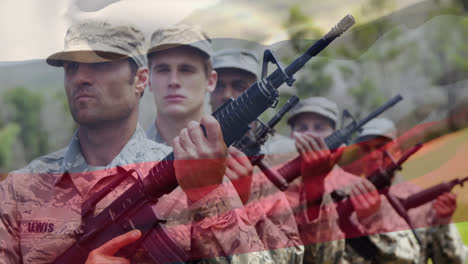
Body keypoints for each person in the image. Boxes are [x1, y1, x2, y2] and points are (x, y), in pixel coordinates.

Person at [0, 19, 270, 263]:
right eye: (71, 67)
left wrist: (209, 196)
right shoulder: (19, 190)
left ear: (141, 80)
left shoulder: (193, 176)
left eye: (100, 64)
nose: (80, 78)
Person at [283, 97, 420, 263]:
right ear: (291, 135)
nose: (310, 134)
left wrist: (373, 219)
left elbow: (410, 256)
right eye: (302, 128)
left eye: (319, 127)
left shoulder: (358, 187)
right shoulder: (274, 190)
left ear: (336, 135)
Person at [211, 48, 304, 263]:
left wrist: (246, 202)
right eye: (219, 85)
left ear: (257, 93)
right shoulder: (187, 147)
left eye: (239, 86)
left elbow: (293, 256)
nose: (226, 94)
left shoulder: (285, 157)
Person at [353, 118, 468, 264]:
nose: (373, 155)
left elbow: (453, 261)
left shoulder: (424, 203)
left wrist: (444, 222)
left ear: (397, 151)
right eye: (365, 149)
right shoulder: (342, 203)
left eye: (380, 147)